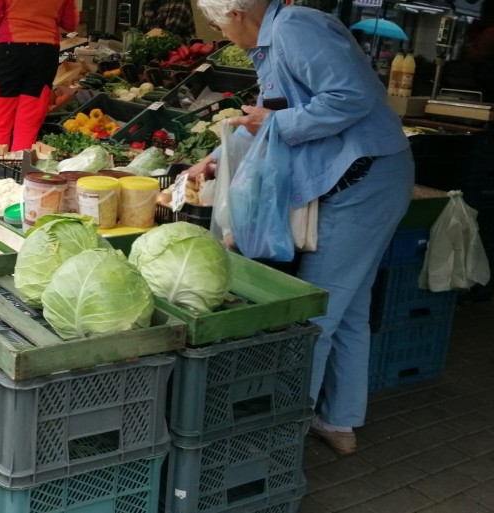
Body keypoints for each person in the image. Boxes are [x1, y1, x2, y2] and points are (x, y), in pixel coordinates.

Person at [188, 0, 414, 455]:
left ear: (233, 14)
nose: (219, 33)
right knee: (347, 306)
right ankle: (339, 422)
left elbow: (350, 96)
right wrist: (212, 160)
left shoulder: (296, 29)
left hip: (364, 180)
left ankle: (279, 437)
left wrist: (276, 121)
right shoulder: (274, 43)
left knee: (316, 312)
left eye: (216, 24)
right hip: (357, 177)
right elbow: (269, 118)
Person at [0, 0, 79, 152]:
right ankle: (20, 166)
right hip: (45, 52)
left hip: (10, 47)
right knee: (30, 115)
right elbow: (70, 23)